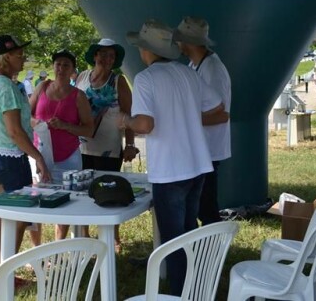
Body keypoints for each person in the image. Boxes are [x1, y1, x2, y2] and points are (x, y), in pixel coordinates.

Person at [119, 19, 226, 297]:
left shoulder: (145, 79)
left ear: (145, 50)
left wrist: (125, 121)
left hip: (170, 170)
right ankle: (195, 289)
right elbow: (217, 106)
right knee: (189, 231)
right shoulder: (188, 74)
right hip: (197, 165)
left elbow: (145, 125)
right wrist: (186, 115)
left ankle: (180, 294)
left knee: (173, 242)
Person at [0, 34, 50, 288]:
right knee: (19, 216)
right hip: (10, 156)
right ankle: (7, 273)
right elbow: (15, 132)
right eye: (19, 55)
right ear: (6, 58)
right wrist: (38, 157)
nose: (23, 59)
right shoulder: (8, 88)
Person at [76, 38, 135, 250]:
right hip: (81, 147)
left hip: (109, 148)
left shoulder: (118, 81)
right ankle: (84, 235)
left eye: (112, 56)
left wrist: (130, 144)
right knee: (83, 191)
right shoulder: (82, 77)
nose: (107, 59)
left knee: (110, 191)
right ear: (95, 55)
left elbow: (128, 114)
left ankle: (113, 237)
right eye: (103, 54)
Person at [30, 49, 94, 240]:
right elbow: (27, 114)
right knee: (36, 199)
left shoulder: (78, 96)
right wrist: (36, 123)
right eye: (58, 64)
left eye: (66, 65)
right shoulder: (42, 87)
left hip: (68, 157)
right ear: (53, 67)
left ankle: (59, 245)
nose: (61, 68)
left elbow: (88, 130)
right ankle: (37, 249)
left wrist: (65, 126)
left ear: (73, 70)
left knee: (67, 200)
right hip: (40, 154)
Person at [174, 17, 232, 226]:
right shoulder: (196, 64)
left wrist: (184, 121)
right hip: (200, 149)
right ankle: (202, 253)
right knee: (198, 207)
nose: (177, 44)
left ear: (187, 41)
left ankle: (213, 254)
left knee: (206, 209)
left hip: (208, 150)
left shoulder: (212, 69)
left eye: (179, 39)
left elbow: (222, 115)